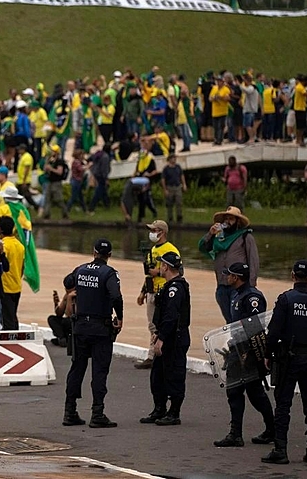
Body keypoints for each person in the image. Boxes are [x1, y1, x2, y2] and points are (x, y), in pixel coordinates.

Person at [262, 260, 307, 465]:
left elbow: (274, 332)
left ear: (292, 275)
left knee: (283, 405)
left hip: (289, 359)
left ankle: (281, 449)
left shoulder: (286, 299)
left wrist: (267, 354)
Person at [62, 238, 123, 428]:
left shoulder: (81, 269)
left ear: (93, 252)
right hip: (100, 329)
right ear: (109, 255)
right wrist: (119, 317)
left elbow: (67, 281)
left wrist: (77, 293)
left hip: (80, 327)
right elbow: (115, 295)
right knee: (99, 371)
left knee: (77, 368)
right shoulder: (109, 273)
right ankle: (97, 413)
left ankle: (69, 411)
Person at [213, 262, 275, 448]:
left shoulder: (252, 298)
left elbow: (255, 327)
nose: (227, 277)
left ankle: (270, 429)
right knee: (235, 391)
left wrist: (247, 352)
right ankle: (236, 433)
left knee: (254, 393)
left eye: (230, 275)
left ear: (237, 277)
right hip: (236, 348)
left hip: (248, 351)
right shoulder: (236, 294)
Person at [140, 252, 190, 426]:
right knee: (158, 376)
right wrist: (156, 332)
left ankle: (174, 412)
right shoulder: (168, 286)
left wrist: (161, 338)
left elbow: (171, 316)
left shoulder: (176, 288)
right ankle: (159, 408)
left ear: (166, 267)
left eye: (161, 265)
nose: (159, 267)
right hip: (165, 335)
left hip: (174, 339)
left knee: (174, 374)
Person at [198, 206, 259, 322]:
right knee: (229, 320)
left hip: (239, 287)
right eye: (226, 218)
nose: (227, 221)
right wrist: (210, 234)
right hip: (222, 285)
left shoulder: (246, 237)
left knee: (240, 320)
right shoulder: (218, 237)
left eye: (231, 219)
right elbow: (204, 247)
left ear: (238, 221)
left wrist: (251, 285)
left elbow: (254, 261)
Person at [135, 220, 180, 369]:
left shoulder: (170, 249)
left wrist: (159, 272)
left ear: (162, 232)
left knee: (162, 323)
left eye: (154, 230)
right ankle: (153, 354)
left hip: (164, 289)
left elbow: (178, 270)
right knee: (152, 325)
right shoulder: (153, 250)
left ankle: (156, 354)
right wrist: (143, 292)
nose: (152, 233)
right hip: (151, 291)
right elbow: (149, 273)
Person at [0, 216, 25, 330]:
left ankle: (11, 343)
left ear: (0, 229)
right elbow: (22, 267)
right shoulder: (20, 245)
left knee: (7, 318)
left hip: (5, 286)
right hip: (17, 286)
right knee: (12, 316)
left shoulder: (2, 245)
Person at [41, 145, 69, 219]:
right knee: (48, 198)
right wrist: (47, 163)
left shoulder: (59, 162)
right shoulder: (51, 160)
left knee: (58, 199)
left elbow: (59, 172)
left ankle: (65, 213)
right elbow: (44, 170)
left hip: (56, 182)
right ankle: (46, 214)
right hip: (50, 181)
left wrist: (51, 169)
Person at [160, 154, 186, 223]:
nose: (174, 159)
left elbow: (181, 176)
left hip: (177, 187)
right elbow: (163, 179)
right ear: (169, 159)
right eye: (173, 158)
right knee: (169, 203)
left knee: (179, 202)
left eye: (175, 158)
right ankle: (170, 218)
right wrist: (165, 189)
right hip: (169, 187)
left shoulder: (178, 167)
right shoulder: (166, 169)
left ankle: (179, 217)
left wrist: (184, 184)